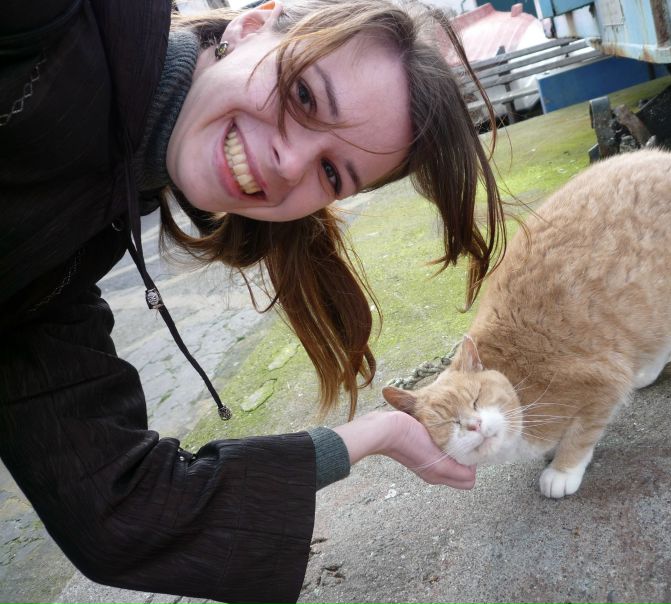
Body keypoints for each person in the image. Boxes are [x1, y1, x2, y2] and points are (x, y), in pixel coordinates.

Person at [0, 0, 505, 602]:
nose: (290, 165)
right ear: (249, 26)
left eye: (332, 174)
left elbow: (122, 511)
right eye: (305, 97)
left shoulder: (61, 265)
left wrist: (379, 434)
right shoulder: (58, 24)